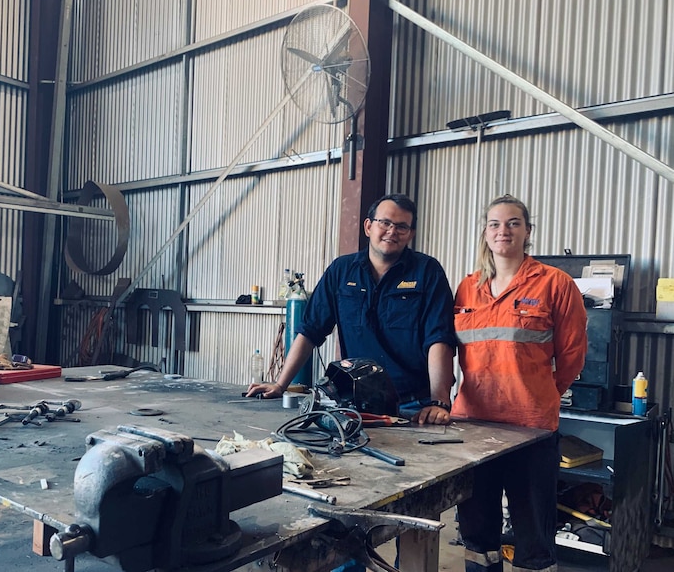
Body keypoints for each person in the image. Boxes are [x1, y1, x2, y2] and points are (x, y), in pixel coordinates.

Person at [452, 194, 588, 572]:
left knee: (533, 534)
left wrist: (541, 396)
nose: (503, 231)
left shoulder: (555, 284)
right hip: (474, 426)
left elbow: (574, 355)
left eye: (513, 223)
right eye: (495, 223)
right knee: (477, 532)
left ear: (528, 231)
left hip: (531, 429)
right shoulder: (466, 289)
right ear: (485, 232)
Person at [246, 193, 457, 425]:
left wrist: (439, 402)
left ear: (411, 234)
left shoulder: (427, 272)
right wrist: (280, 384)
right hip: (356, 403)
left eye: (402, 226)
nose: (391, 231)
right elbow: (309, 331)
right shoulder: (341, 271)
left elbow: (439, 339)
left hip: (415, 405)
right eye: (385, 223)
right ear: (368, 226)